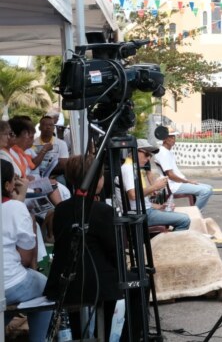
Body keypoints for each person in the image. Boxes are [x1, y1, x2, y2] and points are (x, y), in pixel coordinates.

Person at [45, 155, 122, 340]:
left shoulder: (61, 209)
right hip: (95, 284)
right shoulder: (103, 211)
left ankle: (80, 333)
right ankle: (124, 335)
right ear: (96, 179)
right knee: (133, 282)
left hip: (64, 282)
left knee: (80, 280)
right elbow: (115, 251)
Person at [2, 159, 53, 340]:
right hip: (10, 284)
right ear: (9, 185)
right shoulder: (15, 207)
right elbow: (25, 258)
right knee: (47, 287)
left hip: (7, 286)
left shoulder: (13, 206)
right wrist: (20, 198)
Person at [121, 141, 190, 231]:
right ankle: (173, 244)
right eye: (146, 154)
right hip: (141, 214)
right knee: (184, 220)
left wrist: (157, 206)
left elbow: (136, 199)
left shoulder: (132, 167)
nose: (148, 158)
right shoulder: (128, 168)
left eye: (150, 155)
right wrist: (155, 186)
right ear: (135, 151)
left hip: (144, 210)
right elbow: (133, 195)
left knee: (176, 214)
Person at [153, 130, 213, 211]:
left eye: (174, 137)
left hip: (178, 183)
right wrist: (187, 181)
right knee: (205, 191)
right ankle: (195, 213)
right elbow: (170, 175)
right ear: (164, 139)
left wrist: (187, 181)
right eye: (170, 137)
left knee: (209, 188)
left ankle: (195, 211)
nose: (173, 139)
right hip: (173, 186)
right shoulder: (162, 153)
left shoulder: (168, 151)